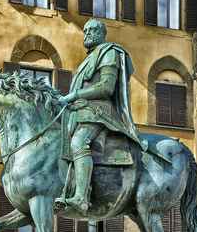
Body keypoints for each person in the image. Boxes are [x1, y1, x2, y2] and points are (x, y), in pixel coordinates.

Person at [55, 18, 145, 213]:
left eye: (92, 30)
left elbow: (106, 87)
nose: (86, 34)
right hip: (82, 110)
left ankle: (81, 197)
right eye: (85, 30)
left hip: (99, 112)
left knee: (79, 142)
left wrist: (75, 95)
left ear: (102, 33)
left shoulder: (109, 52)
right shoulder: (89, 58)